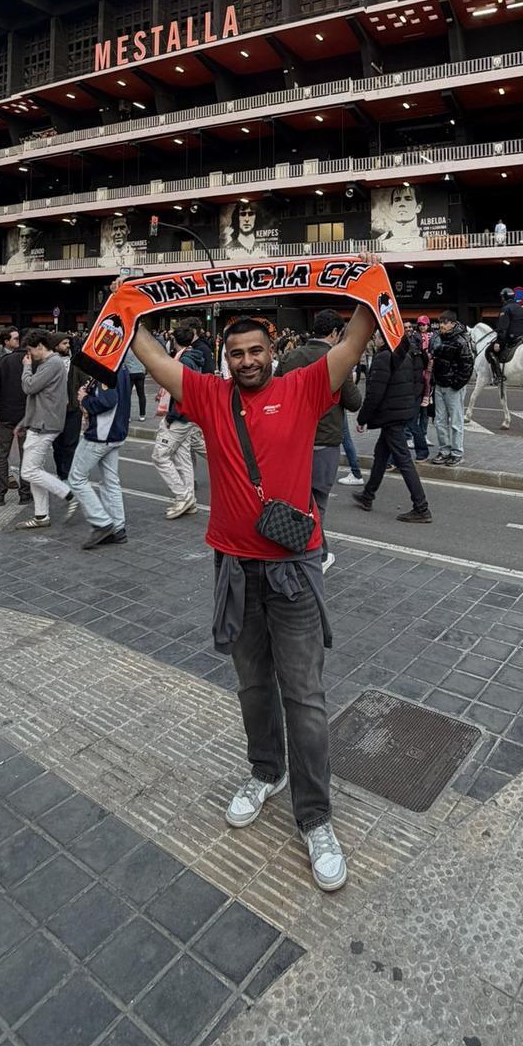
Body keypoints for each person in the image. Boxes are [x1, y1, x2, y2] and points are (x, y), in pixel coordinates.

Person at [127, 295, 378, 894]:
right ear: (225, 358)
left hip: (293, 568)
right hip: (235, 569)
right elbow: (154, 357)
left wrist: (371, 289)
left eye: (255, 351)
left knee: (306, 697)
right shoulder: (210, 398)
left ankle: (315, 816)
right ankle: (265, 773)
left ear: (274, 352)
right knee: (252, 685)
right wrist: (126, 309)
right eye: (235, 353)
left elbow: (354, 341)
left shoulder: (304, 388)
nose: (246, 361)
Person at [279, 308, 364, 566]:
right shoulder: (336, 358)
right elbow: (354, 401)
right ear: (335, 333)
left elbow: (274, 391)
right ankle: (316, 554)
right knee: (319, 502)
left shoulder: (290, 356)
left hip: (292, 440)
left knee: (295, 499)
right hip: (324, 441)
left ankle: (296, 545)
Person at [352, 332, 432, 524]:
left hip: (391, 415)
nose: (375, 339)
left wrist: (362, 418)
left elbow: (374, 393)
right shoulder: (402, 354)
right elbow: (414, 382)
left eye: (377, 336)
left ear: (382, 339)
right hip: (400, 412)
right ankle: (368, 495)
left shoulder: (383, 357)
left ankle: (421, 507)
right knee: (381, 455)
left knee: (403, 460)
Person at [68, 366, 132, 549]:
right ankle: (118, 527)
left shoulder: (107, 369)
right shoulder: (122, 368)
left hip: (101, 433)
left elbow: (107, 400)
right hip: (115, 432)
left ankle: (102, 522)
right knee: (110, 480)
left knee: (76, 478)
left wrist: (85, 400)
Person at [15, 331, 70, 529]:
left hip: (45, 424)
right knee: (35, 470)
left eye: (30, 350)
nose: (29, 355)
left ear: (40, 346)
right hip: (39, 422)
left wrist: (27, 368)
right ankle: (41, 516)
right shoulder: (51, 364)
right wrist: (25, 421)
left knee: (29, 471)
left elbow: (29, 387)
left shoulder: (52, 364)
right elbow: (38, 397)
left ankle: (67, 493)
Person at [152, 325, 205, 518]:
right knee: (182, 457)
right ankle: (188, 498)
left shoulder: (183, 361)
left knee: (160, 456)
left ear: (174, 340)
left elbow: (182, 392)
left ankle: (183, 496)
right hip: (188, 415)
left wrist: (171, 416)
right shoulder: (193, 358)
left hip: (181, 416)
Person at [0, 327, 31, 507]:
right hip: (25, 415)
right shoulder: (33, 362)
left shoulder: (4, 360)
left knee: (1, 454)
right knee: (26, 455)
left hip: (5, 415)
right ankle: (25, 494)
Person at [430, 312, 473, 466]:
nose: (442, 325)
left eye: (446, 322)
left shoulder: (461, 340)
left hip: (453, 387)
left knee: (456, 421)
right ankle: (444, 450)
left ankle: (457, 452)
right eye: (441, 322)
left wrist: (456, 384)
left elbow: (467, 365)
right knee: (440, 421)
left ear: (453, 323)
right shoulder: (438, 337)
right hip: (440, 385)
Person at [52, 333, 85, 481]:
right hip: (54, 410)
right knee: (57, 444)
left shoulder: (76, 361)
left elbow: (84, 382)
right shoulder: (48, 362)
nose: (68, 346)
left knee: (71, 443)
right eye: (64, 343)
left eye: (68, 343)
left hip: (73, 408)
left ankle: (68, 474)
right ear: (55, 345)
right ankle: (61, 472)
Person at [406, 315, 436, 460]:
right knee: (414, 413)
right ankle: (411, 437)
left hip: (429, 378)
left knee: (425, 411)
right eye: (420, 324)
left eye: (424, 324)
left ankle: (422, 435)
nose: (422, 327)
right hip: (421, 378)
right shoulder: (415, 338)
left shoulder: (434, 336)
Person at [489, 287, 523, 378]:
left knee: (490, 351)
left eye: (502, 297)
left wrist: (498, 342)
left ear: (504, 297)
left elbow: (503, 328)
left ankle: (498, 375)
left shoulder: (505, 309)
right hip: (522, 337)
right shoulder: (521, 308)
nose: (501, 299)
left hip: (511, 338)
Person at [124, 340, 148, 420]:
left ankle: (128, 416)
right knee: (141, 394)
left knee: (128, 395)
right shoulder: (141, 349)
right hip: (140, 372)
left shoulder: (127, 349)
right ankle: (142, 415)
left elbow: (124, 361)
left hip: (130, 373)